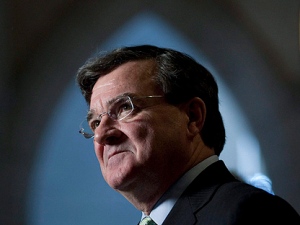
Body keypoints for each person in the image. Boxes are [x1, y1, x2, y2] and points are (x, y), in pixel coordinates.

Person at [76, 45, 300, 225]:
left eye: (125, 107)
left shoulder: (249, 213)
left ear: (192, 117)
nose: (101, 135)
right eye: (95, 122)